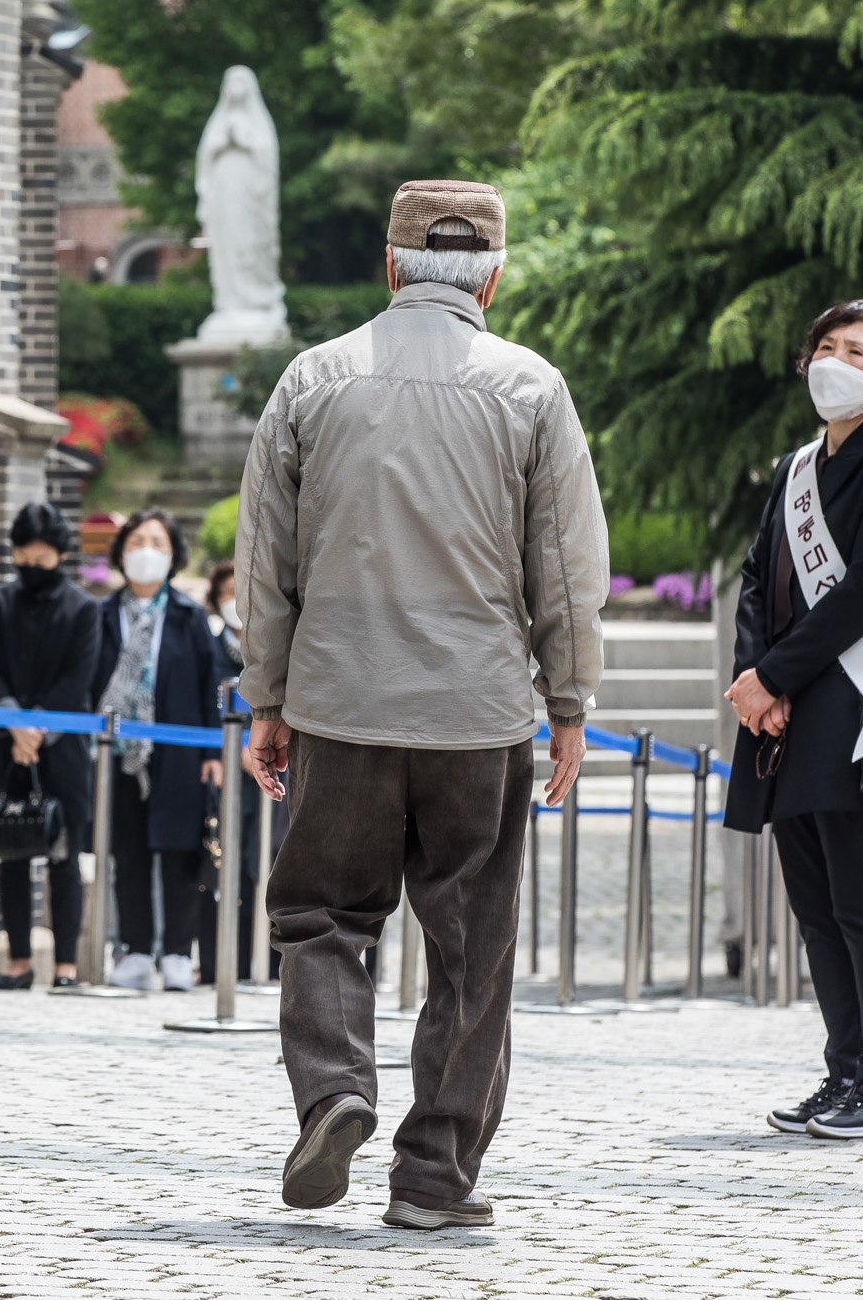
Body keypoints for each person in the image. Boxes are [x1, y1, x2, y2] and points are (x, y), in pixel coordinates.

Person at [238, 179, 606, 1229]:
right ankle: (435, 1178)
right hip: (477, 713)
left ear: (391, 264)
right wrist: (569, 699)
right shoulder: (531, 387)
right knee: (470, 949)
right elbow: (566, 564)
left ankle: (332, 1088)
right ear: (493, 277)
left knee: (320, 915)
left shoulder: (312, 378)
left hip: (339, 701)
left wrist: (265, 696)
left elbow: (264, 558)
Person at [724, 296, 863, 1141]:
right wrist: (756, 677)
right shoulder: (794, 469)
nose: (834, 361)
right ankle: (846, 1071)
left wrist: (775, 673)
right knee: (815, 907)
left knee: (860, 898)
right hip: (783, 712)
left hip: (854, 704)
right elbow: (756, 577)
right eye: (826, 345)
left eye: (856, 351)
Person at [0, 502, 100, 990]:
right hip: (6, 745)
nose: (31, 567)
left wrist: (37, 730)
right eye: (23, 558)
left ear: (61, 556)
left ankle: (66, 967)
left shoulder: (83, 609)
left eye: (41, 559)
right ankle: (18, 962)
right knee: (12, 851)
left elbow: (79, 680)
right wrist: (16, 727)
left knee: (65, 857)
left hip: (60, 747)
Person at [91, 508, 223, 993]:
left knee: (180, 852)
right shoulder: (102, 614)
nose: (146, 551)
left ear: (173, 556)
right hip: (119, 752)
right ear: (121, 552)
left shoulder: (190, 617)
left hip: (181, 750)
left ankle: (177, 951)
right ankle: (136, 949)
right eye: (137, 542)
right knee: (128, 853)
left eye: (158, 543)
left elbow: (212, 684)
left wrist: (214, 751)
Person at [194, 559, 264, 987]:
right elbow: (200, 707)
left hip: (272, 775)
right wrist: (224, 752)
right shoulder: (209, 649)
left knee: (264, 866)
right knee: (219, 867)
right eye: (227, 594)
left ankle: (265, 966)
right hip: (223, 775)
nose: (236, 601)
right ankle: (216, 966)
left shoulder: (273, 649)